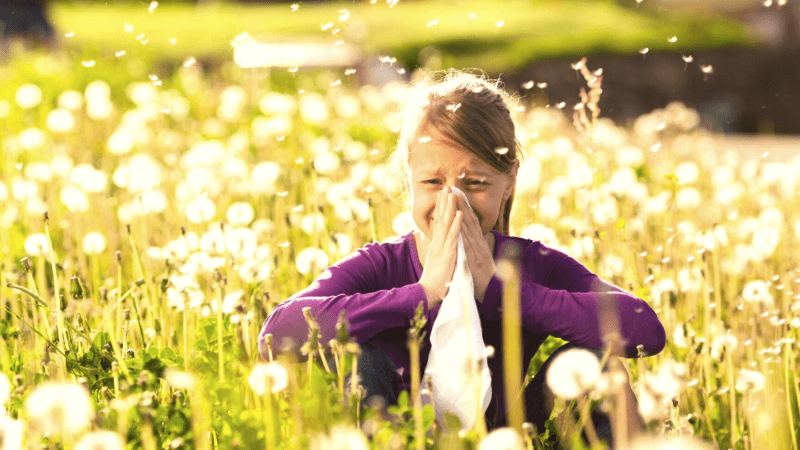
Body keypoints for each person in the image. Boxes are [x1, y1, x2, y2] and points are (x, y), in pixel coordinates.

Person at [258, 70, 666, 443]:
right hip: (396, 434)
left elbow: (645, 329)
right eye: (433, 181)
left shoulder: (531, 264)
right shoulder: (382, 264)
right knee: (357, 361)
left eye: (474, 183)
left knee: (600, 365)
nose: (453, 201)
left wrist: (503, 293)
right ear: (408, 180)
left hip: (506, 439)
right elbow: (276, 335)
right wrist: (423, 292)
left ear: (509, 183)